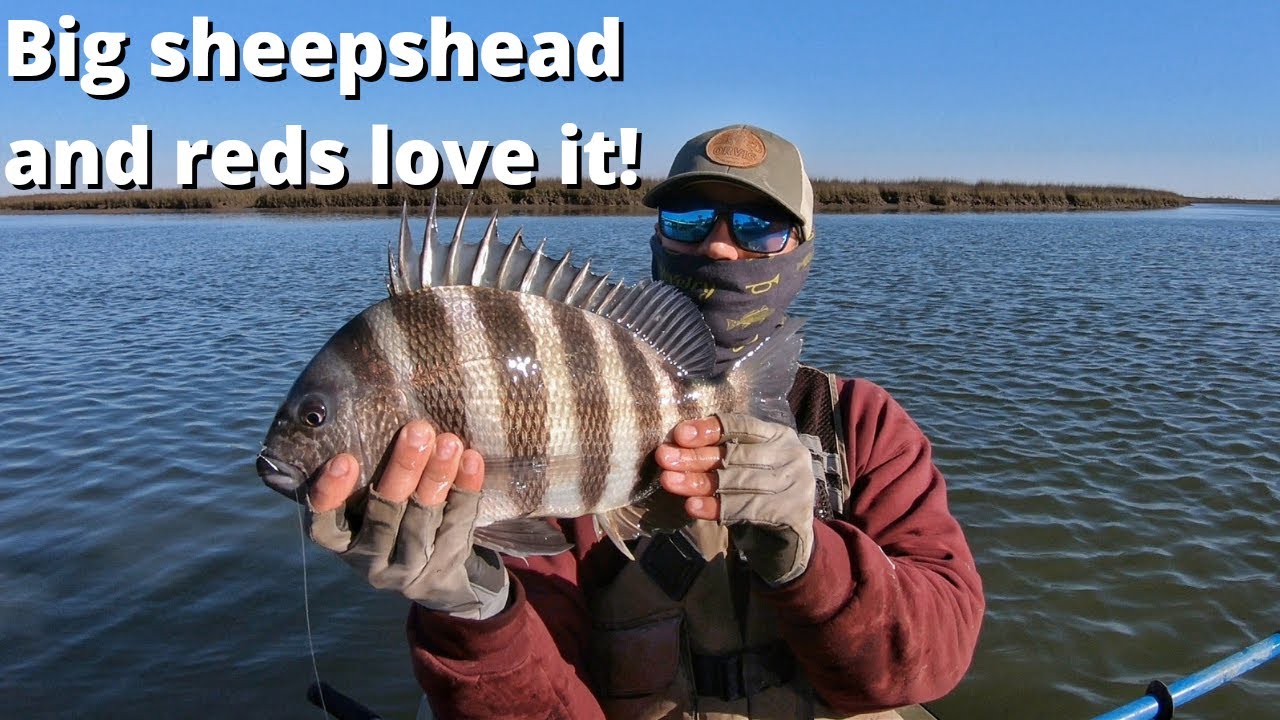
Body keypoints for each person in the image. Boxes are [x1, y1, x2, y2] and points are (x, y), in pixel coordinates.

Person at [304, 125, 985, 719]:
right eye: (690, 220)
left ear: (802, 248)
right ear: (658, 236)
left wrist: (809, 556)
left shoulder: (860, 425)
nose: (720, 248)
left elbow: (934, 660)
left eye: (757, 227)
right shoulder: (554, 439)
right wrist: (470, 606)